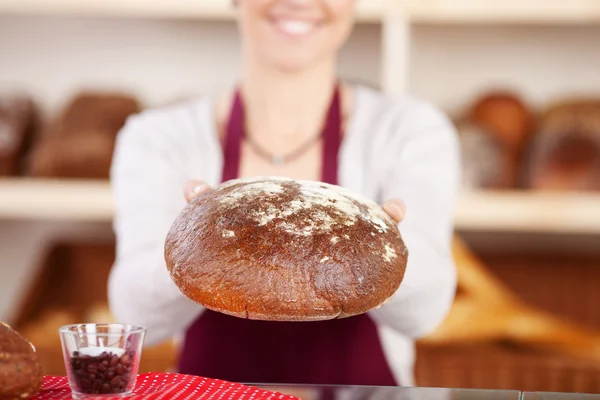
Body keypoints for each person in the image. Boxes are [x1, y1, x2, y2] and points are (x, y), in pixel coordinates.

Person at [108, 0, 460, 388]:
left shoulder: (409, 130)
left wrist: (379, 250)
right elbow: (135, 314)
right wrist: (197, 244)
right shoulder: (159, 137)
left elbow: (426, 314)